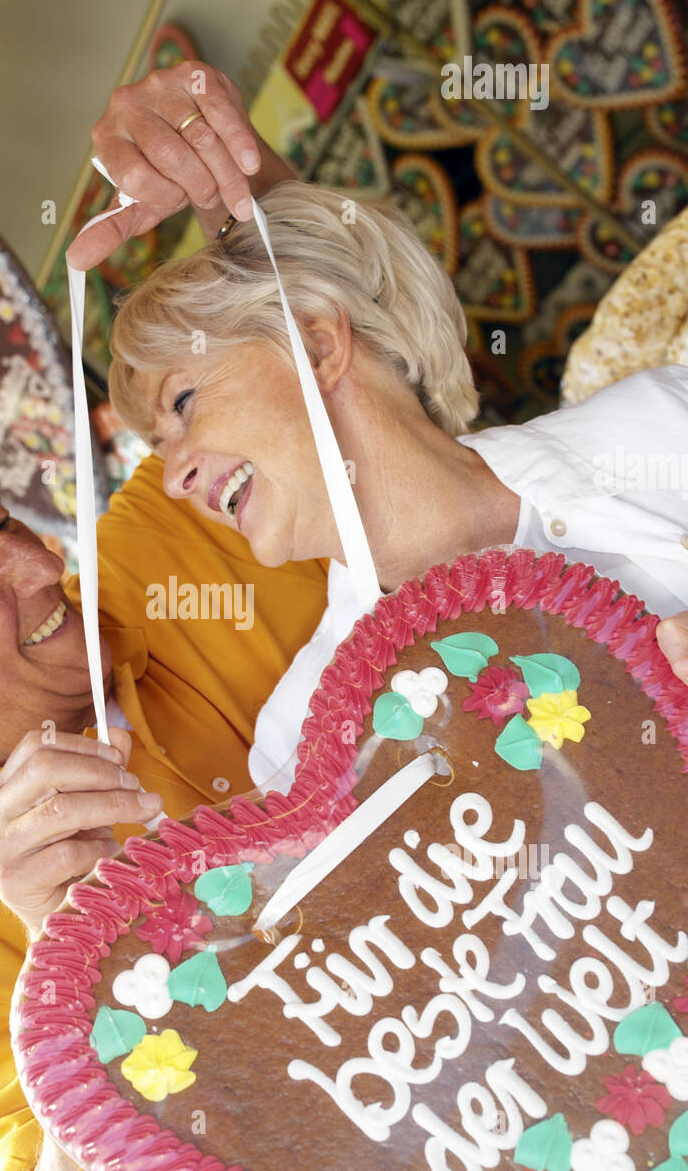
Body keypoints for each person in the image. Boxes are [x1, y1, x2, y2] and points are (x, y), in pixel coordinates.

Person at [106, 178, 688, 788]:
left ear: (317, 345)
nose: (173, 479)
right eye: (159, 447)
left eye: (184, 400)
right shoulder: (300, 747)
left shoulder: (661, 427)